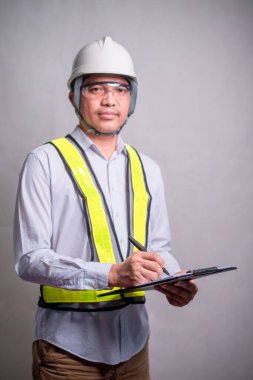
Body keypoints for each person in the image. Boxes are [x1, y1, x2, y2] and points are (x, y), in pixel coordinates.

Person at [14, 36, 198, 380]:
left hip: (133, 346)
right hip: (67, 351)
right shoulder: (44, 162)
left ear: (132, 100)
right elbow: (29, 260)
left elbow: (158, 249)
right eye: (96, 88)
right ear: (74, 95)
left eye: (121, 89)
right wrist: (111, 274)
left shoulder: (148, 168)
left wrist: (172, 279)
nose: (110, 100)